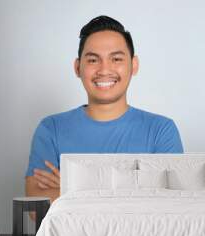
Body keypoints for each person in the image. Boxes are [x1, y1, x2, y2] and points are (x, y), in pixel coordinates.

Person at [25, 15, 183, 203]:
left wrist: (71, 190)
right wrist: (133, 191)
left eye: (116, 59)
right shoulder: (51, 129)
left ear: (134, 65)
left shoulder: (161, 130)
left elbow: (169, 204)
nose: (104, 69)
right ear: (77, 68)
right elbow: (37, 206)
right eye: (93, 60)